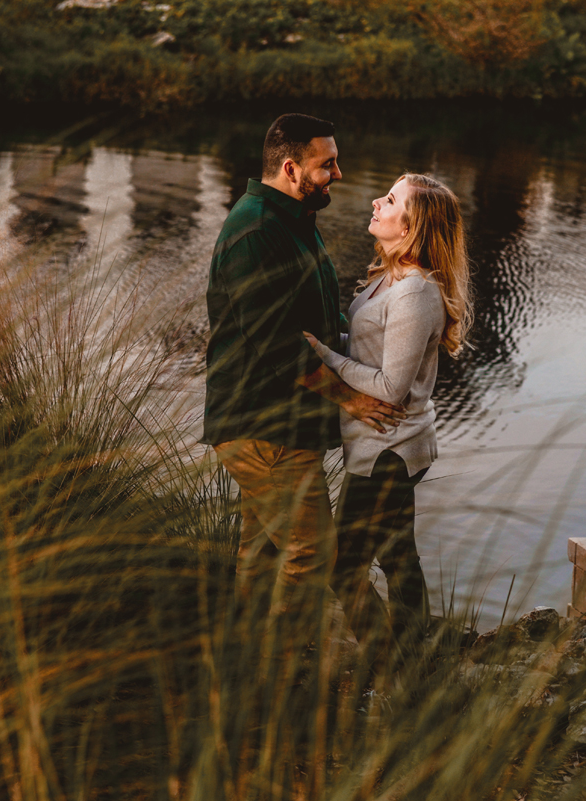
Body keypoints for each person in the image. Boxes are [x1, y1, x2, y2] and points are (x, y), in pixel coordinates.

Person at [203, 114, 403, 622]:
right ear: (291, 168)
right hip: (262, 426)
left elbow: (322, 317)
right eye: (327, 165)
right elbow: (279, 346)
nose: (338, 173)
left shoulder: (293, 222)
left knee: (264, 551)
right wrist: (355, 401)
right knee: (313, 556)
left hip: (284, 425)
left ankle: (250, 660)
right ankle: (281, 672)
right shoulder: (255, 231)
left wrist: (376, 361)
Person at [305, 173, 472, 660]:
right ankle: (415, 660)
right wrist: (328, 345)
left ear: (412, 226)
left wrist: (323, 356)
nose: (378, 201)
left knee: (344, 566)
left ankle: (391, 662)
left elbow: (389, 387)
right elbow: (369, 349)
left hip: (388, 451)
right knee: (399, 559)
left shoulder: (415, 292)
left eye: (392, 199)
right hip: (387, 446)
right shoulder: (391, 276)